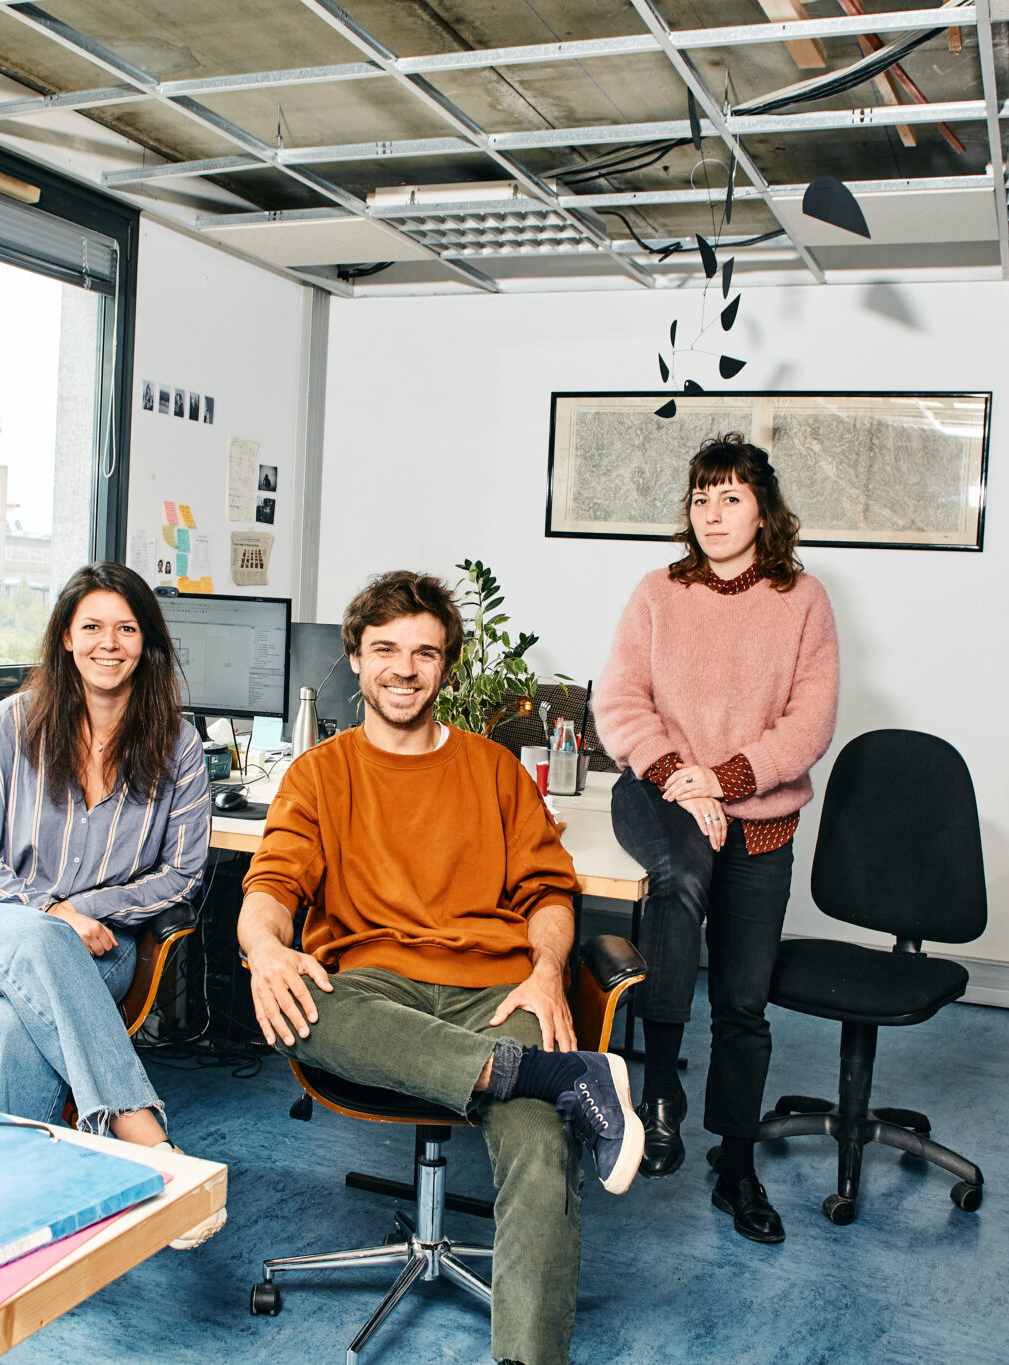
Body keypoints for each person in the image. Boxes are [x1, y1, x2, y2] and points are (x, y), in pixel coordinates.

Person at [238, 570, 643, 1365]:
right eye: (385, 648)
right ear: (354, 658)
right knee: (303, 1007)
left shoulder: (493, 769)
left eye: (424, 651)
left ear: (446, 667)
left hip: (496, 987)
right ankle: (556, 1073)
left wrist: (548, 969)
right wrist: (265, 949)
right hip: (373, 990)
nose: (403, 667)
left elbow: (549, 890)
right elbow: (270, 886)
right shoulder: (320, 773)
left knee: (535, 1134)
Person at [0, 561, 223, 1243]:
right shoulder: (12, 724)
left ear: (146, 641)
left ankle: (24, 1209)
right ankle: (143, 1135)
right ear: (65, 636)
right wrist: (53, 908)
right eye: (92, 625)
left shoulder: (177, 746)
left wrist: (87, 905)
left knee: (8, 1027)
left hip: (103, 945)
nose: (108, 642)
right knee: (42, 938)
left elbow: (182, 875)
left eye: (126, 627)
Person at [593, 434, 840, 1244]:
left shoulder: (802, 599)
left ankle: (735, 1166)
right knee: (680, 883)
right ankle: (659, 1092)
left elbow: (809, 721)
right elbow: (622, 701)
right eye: (703, 496)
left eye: (732, 496)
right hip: (661, 791)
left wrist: (725, 780)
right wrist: (678, 775)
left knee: (743, 1002)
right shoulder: (658, 592)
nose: (714, 511)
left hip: (759, 819)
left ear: (763, 510)